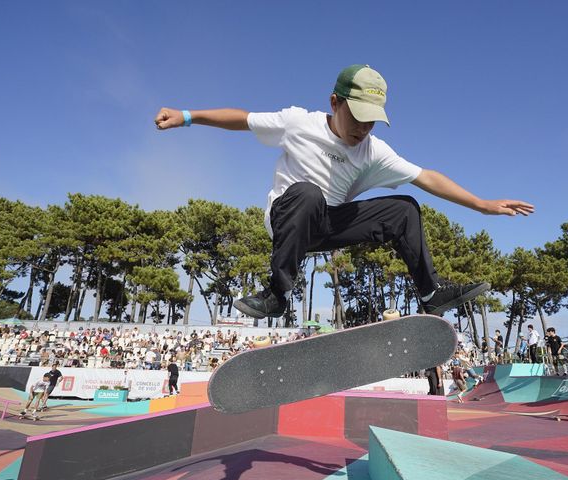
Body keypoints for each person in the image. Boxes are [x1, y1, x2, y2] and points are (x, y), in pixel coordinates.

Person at [155, 64, 534, 322]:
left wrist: (482, 205)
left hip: (330, 224)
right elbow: (243, 118)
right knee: (308, 193)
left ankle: (430, 293)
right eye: (357, 117)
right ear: (334, 103)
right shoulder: (298, 123)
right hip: (290, 218)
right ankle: (277, 293)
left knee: (404, 209)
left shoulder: (374, 151)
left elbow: (426, 177)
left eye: (371, 121)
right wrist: (187, 116)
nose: (364, 129)